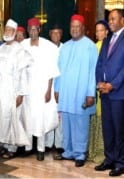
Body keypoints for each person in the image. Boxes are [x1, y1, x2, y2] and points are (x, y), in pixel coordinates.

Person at [54, 14, 98, 167]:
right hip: (66, 93)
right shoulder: (65, 46)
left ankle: (80, 153)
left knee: (80, 122)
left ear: (83, 28)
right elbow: (58, 70)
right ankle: (68, 151)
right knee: (66, 122)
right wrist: (57, 89)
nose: (74, 29)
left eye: (77, 27)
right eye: (72, 27)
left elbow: (94, 71)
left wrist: (90, 93)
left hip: (81, 93)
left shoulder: (90, 46)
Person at [0, 19, 32, 159]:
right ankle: (3, 146)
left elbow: (23, 74)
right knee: (0, 118)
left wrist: (20, 94)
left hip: (12, 91)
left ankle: (12, 148)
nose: (7, 32)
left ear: (14, 32)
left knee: (12, 119)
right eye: (6, 30)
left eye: (10, 30)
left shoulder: (19, 50)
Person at [21, 18, 60, 161]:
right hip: (27, 88)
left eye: (35, 29)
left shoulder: (48, 46)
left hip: (42, 87)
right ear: (27, 30)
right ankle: (28, 147)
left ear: (39, 30)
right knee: (28, 118)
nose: (32, 31)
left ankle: (41, 149)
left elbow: (51, 70)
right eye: (30, 29)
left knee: (40, 118)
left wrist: (49, 89)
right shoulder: (23, 45)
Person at [95, 9, 124, 177]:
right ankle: (109, 159)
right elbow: (100, 64)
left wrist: (112, 85)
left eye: (113, 19)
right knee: (108, 129)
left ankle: (121, 163)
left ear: (122, 20)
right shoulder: (106, 41)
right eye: (109, 19)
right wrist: (100, 82)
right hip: (104, 93)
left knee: (119, 130)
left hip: (119, 93)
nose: (110, 22)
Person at [88, 20, 110, 164]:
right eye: (96, 31)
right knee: (96, 118)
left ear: (107, 32)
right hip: (94, 89)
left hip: (107, 90)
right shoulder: (93, 47)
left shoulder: (111, 47)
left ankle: (105, 154)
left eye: (101, 30)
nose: (98, 33)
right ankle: (94, 151)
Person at [45, 24, 64, 159]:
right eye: (53, 33)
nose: (56, 36)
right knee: (48, 114)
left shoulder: (66, 48)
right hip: (48, 87)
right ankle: (47, 143)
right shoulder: (45, 47)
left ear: (61, 34)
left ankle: (59, 145)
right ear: (50, 34)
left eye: (58, 33)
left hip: (61, 86)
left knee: (60, 117)